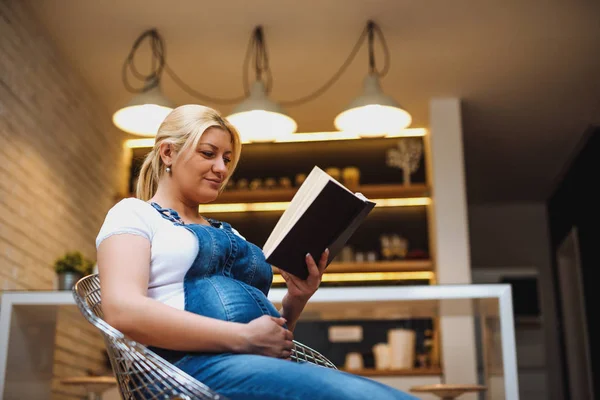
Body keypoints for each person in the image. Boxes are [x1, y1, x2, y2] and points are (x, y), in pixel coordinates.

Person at [96, 104, 418, 400]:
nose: (221, 168)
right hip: (185, 374)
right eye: (209, 154)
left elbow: (269, 340)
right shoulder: (135, 214)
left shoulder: (230, 231)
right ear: (167, 152)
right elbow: (123, 310)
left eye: (227, 159)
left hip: (252, 366)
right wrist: (242, 337)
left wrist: (295, 300)